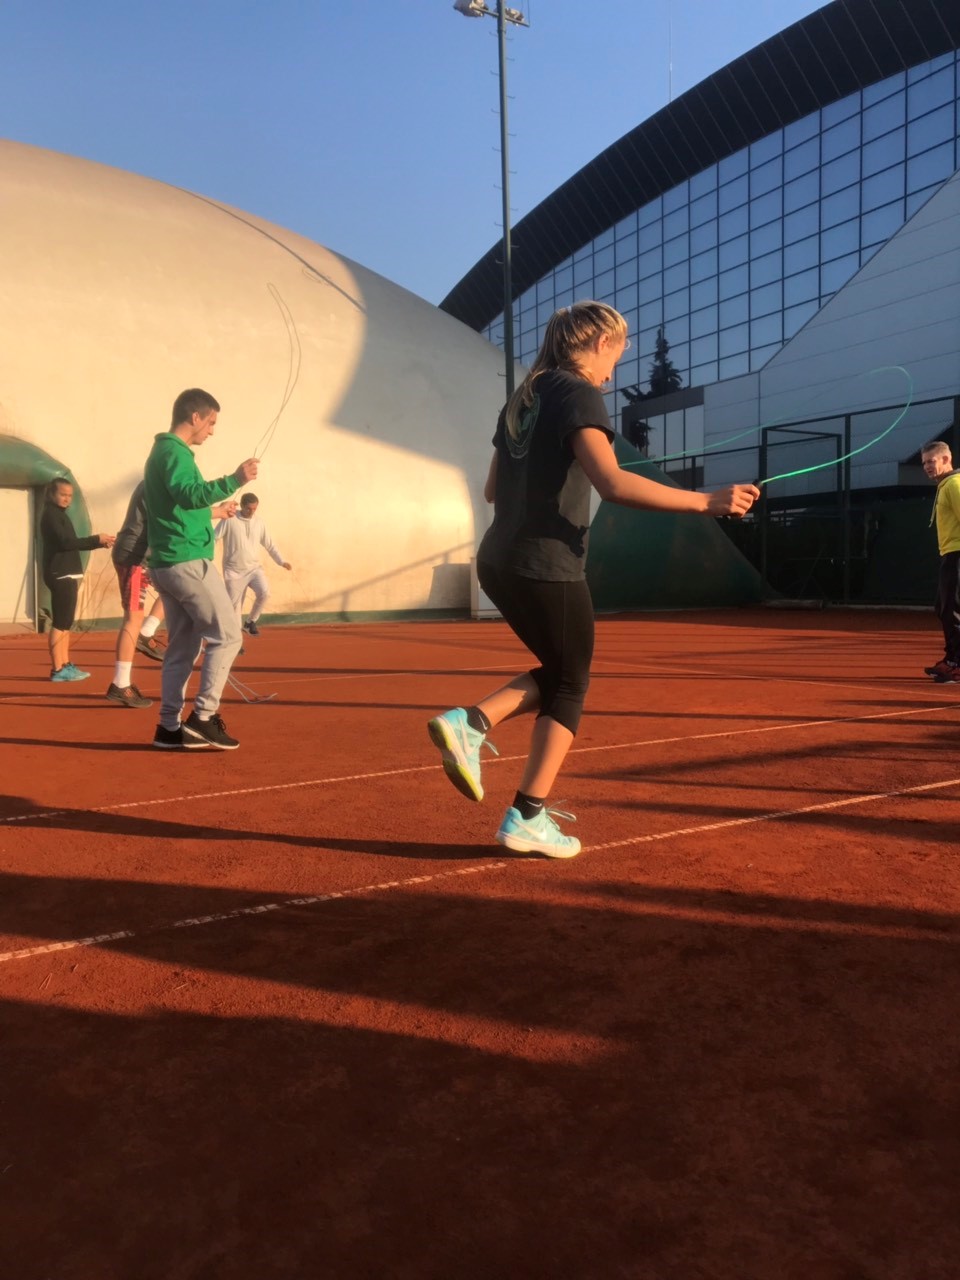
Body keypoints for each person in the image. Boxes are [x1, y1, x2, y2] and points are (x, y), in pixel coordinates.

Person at [427, 301, 759, 859]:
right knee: (571, 684)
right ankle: (514, 795)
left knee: (562, 674)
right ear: (601, 341)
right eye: (617, 355)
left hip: (498, 560)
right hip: (546, 563)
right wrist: (706, 502)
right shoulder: (578, 393)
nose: (612, 373)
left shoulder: (525, 396)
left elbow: (491, 490)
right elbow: (613, 482)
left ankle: (482, 737)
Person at [143, 388, 258, 750]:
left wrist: (214, 512)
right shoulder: (173, 452)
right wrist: (235, 479)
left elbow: (179, 506)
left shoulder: (164, 453)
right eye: (211, 422)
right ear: (195, 417)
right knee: (229, 636)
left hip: (169, 561)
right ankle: (203, 718)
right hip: (186, 560)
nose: (212, 430)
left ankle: (169, 727)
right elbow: (189, 494)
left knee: (183, 647)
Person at [39, 478, 115, 682]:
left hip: (68, 573)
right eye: (63, 494)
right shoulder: (51, 515)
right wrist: (96, 540)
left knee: (66, 622)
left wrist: (100, 543)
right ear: (52, 494)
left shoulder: (60, 515)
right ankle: (58, 669)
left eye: (70, 495)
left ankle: (65, 664)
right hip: (60, 574)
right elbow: (66, 543)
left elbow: (70, 543)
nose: (67, 499)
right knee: (60, 622)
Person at [106, 480, 165, 709]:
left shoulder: (156, 479)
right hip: (134, 557)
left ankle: (146, 632)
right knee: (133, 619)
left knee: (171, 590)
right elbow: (178, 514)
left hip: (141, 556)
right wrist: (217, 511)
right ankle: (120, 684)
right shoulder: (158, 484)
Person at [215, 492, 291, 636]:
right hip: (233, 571)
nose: (252, 512)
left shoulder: (259, 523)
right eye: (249, 508)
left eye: (254, 509)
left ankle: (250, 622)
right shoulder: (229, 519)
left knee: (265, 593)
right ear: (242, 506)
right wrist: (207, 557)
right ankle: (236, 640)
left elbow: (269, 545)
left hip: (254, 569)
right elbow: (214, 537)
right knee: (235, 607)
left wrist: (281, 561)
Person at [921, 439, 960, 683]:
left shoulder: (954, 484)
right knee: (943, 608)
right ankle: (952, 659)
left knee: (952, 611)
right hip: (950, 554)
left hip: (957, 553)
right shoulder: (946, 485)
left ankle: (957, 664)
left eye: (931, 461)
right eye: (924, 462)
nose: (927, 466)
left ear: (946, 459)